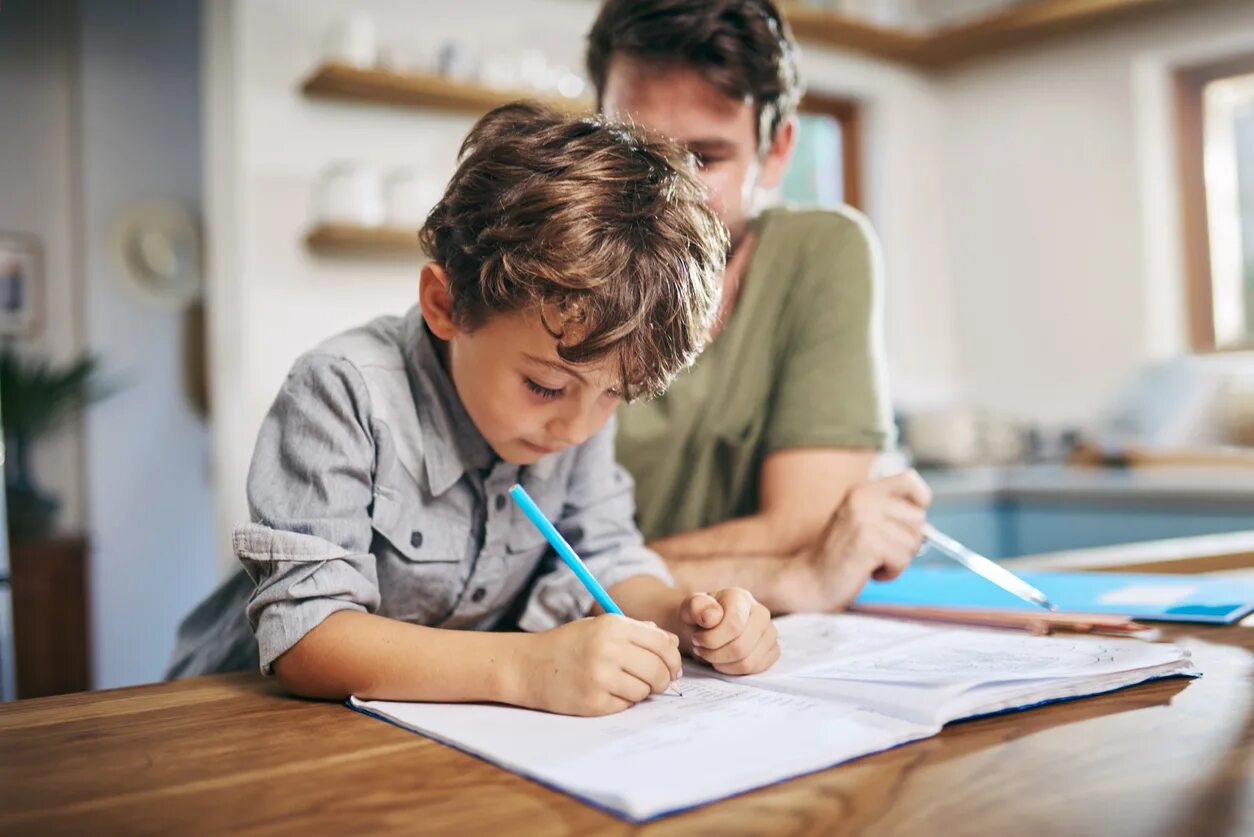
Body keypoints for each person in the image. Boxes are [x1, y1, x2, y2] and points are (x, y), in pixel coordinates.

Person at [167, 103, 779, 716]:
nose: (577, 428)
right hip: (231, 718)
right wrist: (525, 668)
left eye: (615, 396)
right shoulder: (342, 392)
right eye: (543, 386)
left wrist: (683, 617)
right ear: (445, 305)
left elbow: (609, 559)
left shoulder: (575, 406)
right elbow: (309, 638)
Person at [586, 0, 932, 611]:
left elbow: (804, 523)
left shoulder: (822, 253)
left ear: (776, 151)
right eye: (633, 152)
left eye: (705, 158)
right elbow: (524, 572)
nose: (662, 194)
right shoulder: (552, 268)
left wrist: (594, 573)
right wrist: (795, 567)